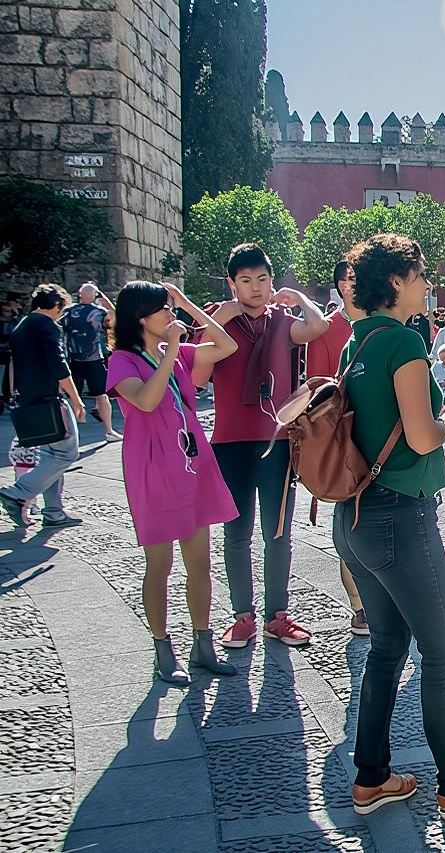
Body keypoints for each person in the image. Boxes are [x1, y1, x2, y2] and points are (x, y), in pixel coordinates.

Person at [335, 232, 445, 820]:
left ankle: (371, 777)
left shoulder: (356, 343)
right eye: (418, 275)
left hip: (356, 519)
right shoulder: (406, 344)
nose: (426, 282)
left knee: (387, 648)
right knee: (442, 653)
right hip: (400, 520)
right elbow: (419, 436)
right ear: (396, 283)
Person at [106, 280, 241, 684]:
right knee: (160, 564)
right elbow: (146, 399)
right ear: (140, 318)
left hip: (190, 463)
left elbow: (225, 346)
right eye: (163, 309)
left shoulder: (178, 351)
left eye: (170, 308)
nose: (171, 316)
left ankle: (204, 643)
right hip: (152, 469)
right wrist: (167, 353)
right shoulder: (122, 361)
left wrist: (188, 305)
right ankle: (163, 647)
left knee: (200, 562)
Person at [207, 243, 328, 650]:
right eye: (246, 281)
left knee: (277, 532)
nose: (256, 289)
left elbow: (317, 328)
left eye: (262, 279)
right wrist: (221, 317)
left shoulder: (281, 322)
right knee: (236, 533)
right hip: (230, 442)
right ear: (232, 283)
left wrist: (301, 299)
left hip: (276, 441)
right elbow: (196, 373)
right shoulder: (219, 320)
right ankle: (242, 615)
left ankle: (278, 614)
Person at [305, 259, 369, 636]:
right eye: (350, 279)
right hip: (345, 438)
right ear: (340, 286)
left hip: (380, 438)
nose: (356, 285)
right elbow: (317, 390)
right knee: (349, 527)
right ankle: (359, 606)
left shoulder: (386, 321)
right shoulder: (328, 329)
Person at [0, 284, 86, 528]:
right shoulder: (46, 325)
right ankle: (18, 492)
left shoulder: (22, 325)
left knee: (52, 454)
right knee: (66, 453)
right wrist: (76, 398)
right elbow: (58, 364)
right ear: (57, 306)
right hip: (49, 399)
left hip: (30, 399)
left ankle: (54, 511)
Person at [61, 282, 123, 441]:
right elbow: (116, 316)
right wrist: (103, 297)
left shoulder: (68, 311)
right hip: (95, 358)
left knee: (71, 397)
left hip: (73, 358)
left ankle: (70, 434)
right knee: (101, 395)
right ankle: (109, 431)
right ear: (95, 296)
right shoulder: (99, 312)